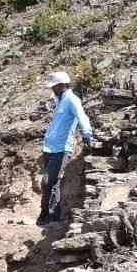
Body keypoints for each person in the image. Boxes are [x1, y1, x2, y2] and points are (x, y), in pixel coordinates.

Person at [40, 70, 95, 225]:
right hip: (50, 147)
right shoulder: (59, 100)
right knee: (48, 183)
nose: (52, 89)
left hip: (62, 149)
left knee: (50, 182)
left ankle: (50, 216)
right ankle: (49, 215)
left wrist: (87, 133)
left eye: (54, 86)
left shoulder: (72, 99)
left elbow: (82, 116)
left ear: (62, 85)